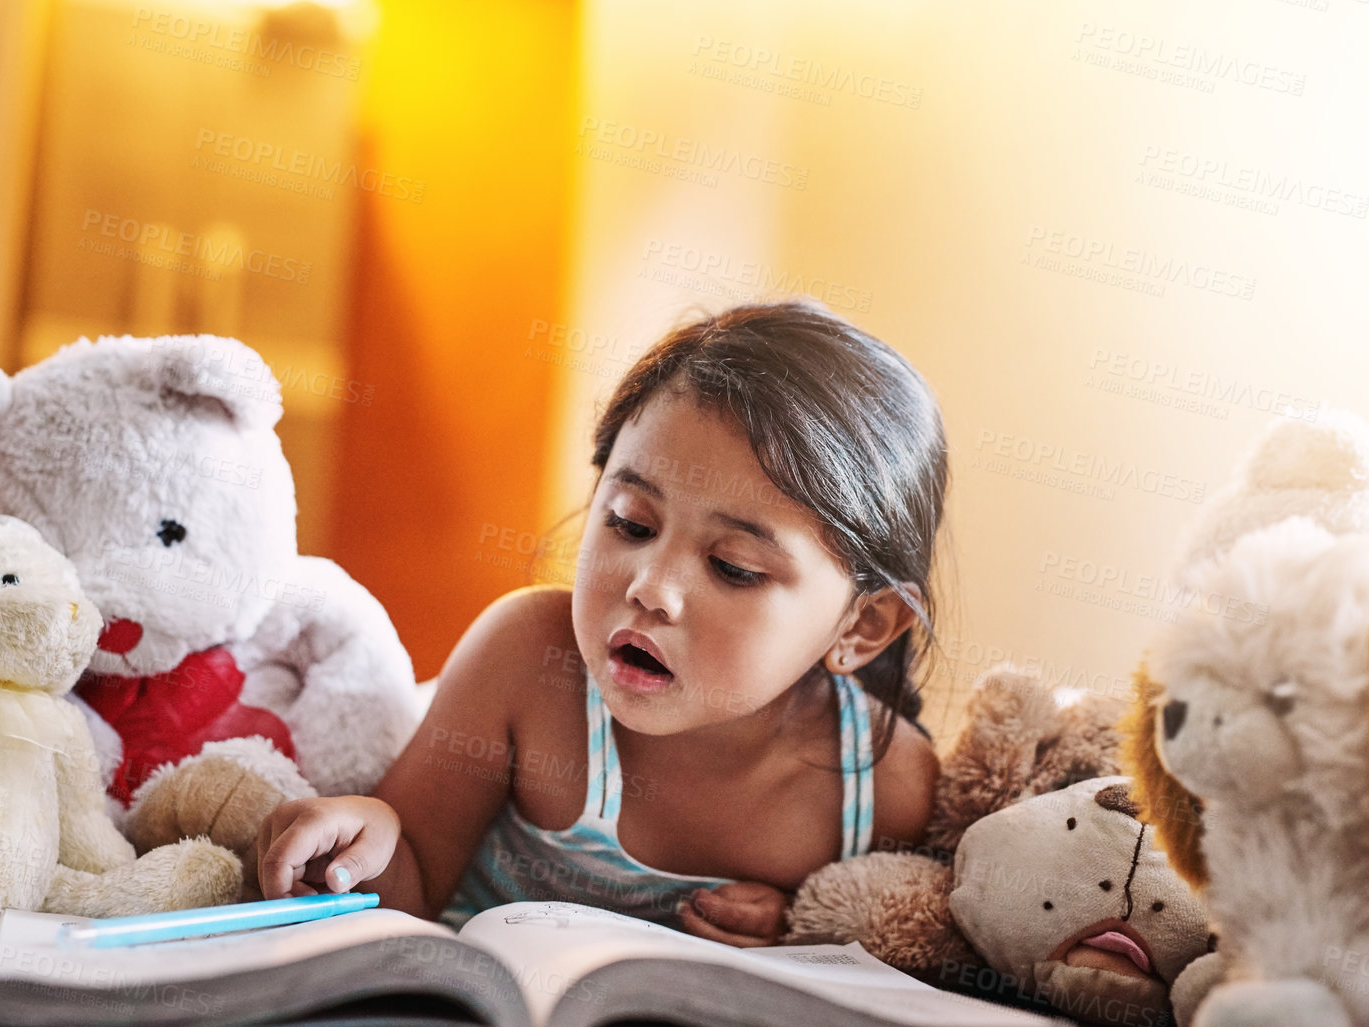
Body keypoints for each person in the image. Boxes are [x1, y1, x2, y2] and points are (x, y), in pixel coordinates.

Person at [257, 299, 949, 947]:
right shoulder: (528, 660)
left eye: (733, 567)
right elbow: (410, 884)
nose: (650, 589)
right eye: (630, 523)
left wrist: (797, 929)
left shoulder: (883, 788)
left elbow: (899, 946)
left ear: (861, 625)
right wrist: (363, 842)